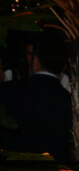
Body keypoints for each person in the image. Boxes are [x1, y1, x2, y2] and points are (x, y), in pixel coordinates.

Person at [0, 33, 72, 162]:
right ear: (64, 66)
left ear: (36, 60)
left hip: (10, 170)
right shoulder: (68, 101)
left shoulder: (7, 90)